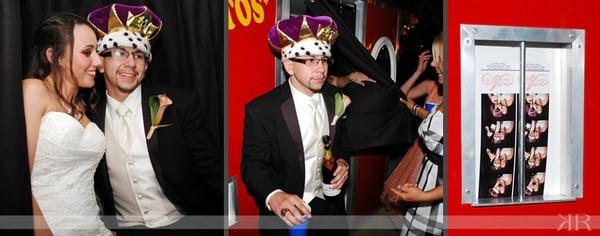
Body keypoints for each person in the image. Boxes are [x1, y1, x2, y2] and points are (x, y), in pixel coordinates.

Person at [86, 3, 222, 235]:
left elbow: (212, 171)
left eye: (139, 55)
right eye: (120, 52)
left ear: (146, 65)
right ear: (101, 61)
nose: (131, 63)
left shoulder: (180, 104)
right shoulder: (88, 114)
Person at [241, 15, 350, 235]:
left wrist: (341, 162)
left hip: (331, 210)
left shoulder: (335, 99)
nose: (321, 69)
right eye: (311, 60)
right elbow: (253, 165)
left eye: (324, 60)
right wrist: (274, 195)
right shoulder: (262, 109)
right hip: (288, 214)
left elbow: (341, 144)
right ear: (289, 65)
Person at [22, 13, 111, 235]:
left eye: (97, 52)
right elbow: (21, 175)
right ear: (54, 56)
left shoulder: (83, 105)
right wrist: (41, 230)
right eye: (86, 52)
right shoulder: (33, 89)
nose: (99, 62)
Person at [386, 34, 445, 235]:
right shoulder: (432, 85)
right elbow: (402, 94)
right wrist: (418, 71)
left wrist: (417, 110)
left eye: (440, 58)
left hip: (436, 161)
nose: (434, 64)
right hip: (422, 151)